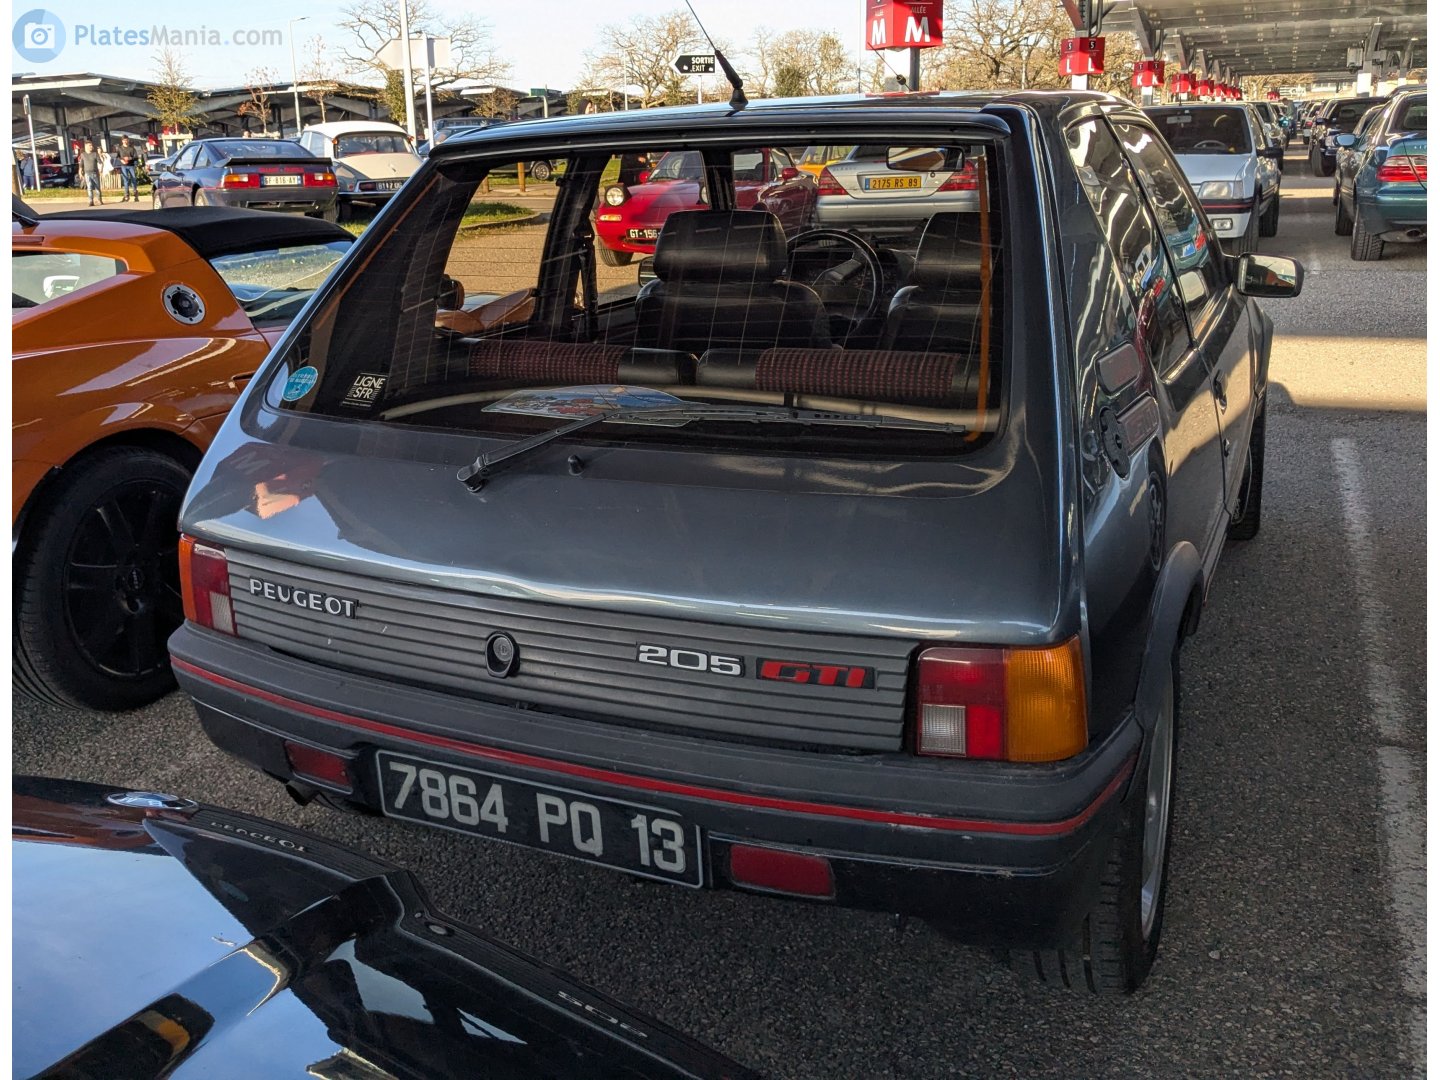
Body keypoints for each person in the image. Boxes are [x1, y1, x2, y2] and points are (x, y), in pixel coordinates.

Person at [79, 139, 103, 205]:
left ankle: (99, 200)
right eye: (90, 145)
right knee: (89, 187)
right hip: (87, 173)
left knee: (97, 187)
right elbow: (81, 165)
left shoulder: (95, 154)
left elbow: (100, 162)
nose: (91, 147)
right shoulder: (83, 155)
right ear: (86, 146)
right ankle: (91, 201)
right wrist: (80, 172)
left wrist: (101, 169)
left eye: (92, 145)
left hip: (95, 173)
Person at [115, 136, 139, 202]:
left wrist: (129, 158)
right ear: (122, 141)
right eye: (124, 140)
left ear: (128, 140)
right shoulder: (119, 148)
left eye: (126, 140)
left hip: (131, 165)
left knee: (133, 179)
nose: (125, 141)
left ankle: (135, 193)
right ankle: (126, 195)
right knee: (126, 180)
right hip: (123, 166)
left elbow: (136, 157)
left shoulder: (132, 148)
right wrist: (121, 160)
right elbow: (117, 157)